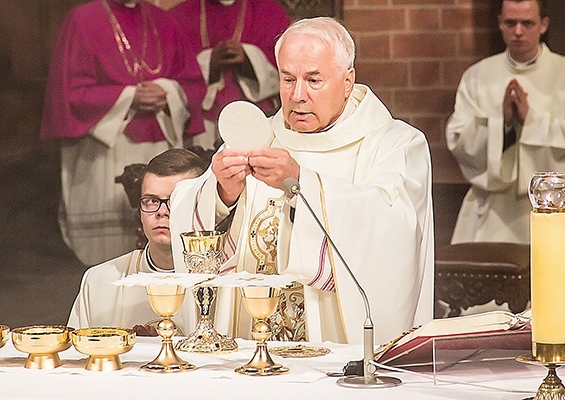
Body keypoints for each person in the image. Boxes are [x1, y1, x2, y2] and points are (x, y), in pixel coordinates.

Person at [169, 17, 434, 345]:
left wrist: (303, 183)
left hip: (339, 347)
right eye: (288, 79)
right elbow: (188, 213)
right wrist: (223, 193)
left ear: (347, 82)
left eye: (313, 80)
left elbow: (397, 230)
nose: (297, 95)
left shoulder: (395, 144)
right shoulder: (258, 137)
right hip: (252, 344)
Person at [40, 0, 207, 266]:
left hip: (158, 147)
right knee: (108, 260)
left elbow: (193, 84)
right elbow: (69, 94)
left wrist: (168, 92)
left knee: (160, 246)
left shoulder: (165, 22)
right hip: (106, 149)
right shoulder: (82, 21)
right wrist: (129, 96)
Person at [445, 0, 565, 284]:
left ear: (543, 25)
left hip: (554, 214)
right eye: (510, 23)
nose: (518, 31)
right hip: (491, 210)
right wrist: (501, 123)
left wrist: (531, 120)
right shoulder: (477, 76)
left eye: (527, 23)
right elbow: (458, 138)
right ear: (499, 22)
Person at [67, 149, 207, 332]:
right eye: (151, 201)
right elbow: (77, 358)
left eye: (175, 200)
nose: (161, 212)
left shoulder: (226, 285)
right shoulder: (100, 282)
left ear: (202, 207)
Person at [170, 0, 290, 150]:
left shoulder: (269, 11)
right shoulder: (181, 14)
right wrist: (209, 62)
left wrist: (248, 58)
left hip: (254, 114)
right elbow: (173, 69)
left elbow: (285, 66)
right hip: (204, 118)